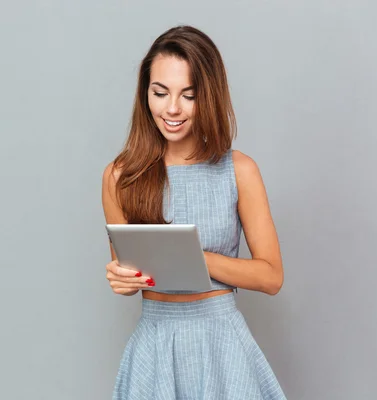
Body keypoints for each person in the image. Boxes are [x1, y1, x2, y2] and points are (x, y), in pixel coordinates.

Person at [101, 25, 286, 399]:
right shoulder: (120, 176)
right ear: (145, 94)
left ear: (209, 97)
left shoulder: (239, 170)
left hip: (221, 342)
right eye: (160, 92)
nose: (172, 108)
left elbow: (271, 277)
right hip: (154, 345)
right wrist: (121, 280)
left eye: (189, 95)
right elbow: (128, 275)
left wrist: (194, 258)